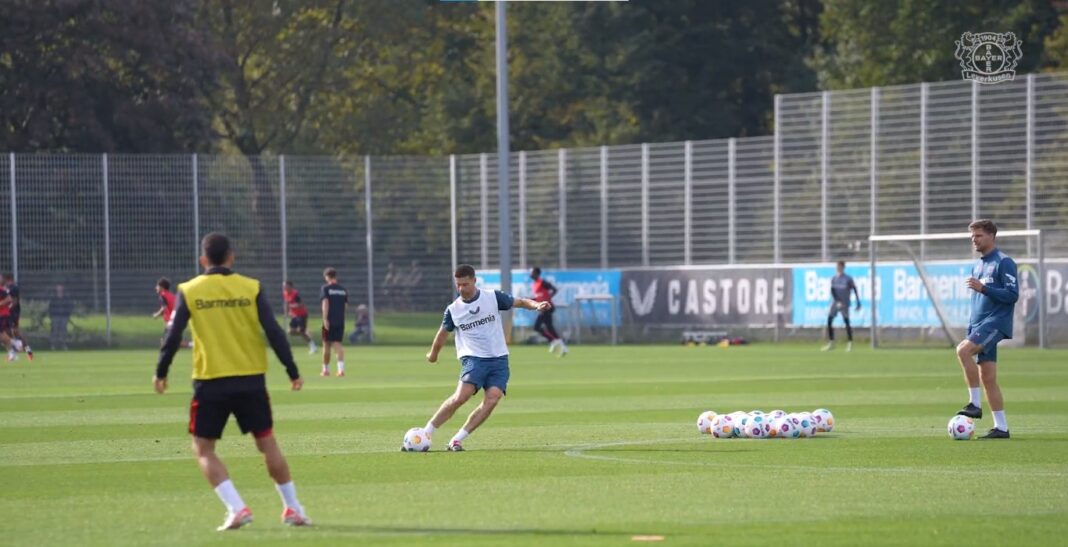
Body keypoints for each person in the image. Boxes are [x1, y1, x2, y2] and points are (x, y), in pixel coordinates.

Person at [154, 232, 312, 530]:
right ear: (231, 257)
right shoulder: (250, 287)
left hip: (210, 380)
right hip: (251, 379)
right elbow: (275, 332)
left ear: (203, 260)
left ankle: (237, 507)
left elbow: (173, 336)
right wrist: (292, 370)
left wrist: (161, 371)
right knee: (267, 443)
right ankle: (293, 508)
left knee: (203, 449)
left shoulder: (190, 290)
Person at [421, 264, 552, 451]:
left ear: (474, 281)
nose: (461, 289)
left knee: (493, 398)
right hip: (473, 358)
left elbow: (521, 302)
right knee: (461, 397)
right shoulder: (453, 309)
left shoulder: (492, 297)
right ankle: (425, 433)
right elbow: (442, 333)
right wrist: (433, 354)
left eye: (465, 284)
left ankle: (457, 440)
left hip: (499, 359)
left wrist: (537, 305)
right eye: (458, 285)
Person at [955, 219, 1017, 439]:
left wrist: (985, 288)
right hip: (979, 324)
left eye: (978, 235)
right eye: (972, 236)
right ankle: (1001, 428)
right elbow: (976, 301)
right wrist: (971, 326)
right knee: (988, 378)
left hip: (996, 322)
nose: (974, 239)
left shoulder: (1004, 262)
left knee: (963, 351)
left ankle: (974, 404)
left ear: (991, 236)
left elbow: (1012, 295)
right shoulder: (978, 265)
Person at [821, 261, 861, 352]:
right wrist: (837, 301)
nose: (837, 268)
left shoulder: (848, 279)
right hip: (836, 302)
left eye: (839, 266)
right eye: (837, 266)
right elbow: (832, 290)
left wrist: (858, 302)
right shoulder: (834, 278)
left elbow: (854, 289)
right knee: (829, 320)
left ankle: (850, 343)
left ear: (843, 267)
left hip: (845, 303)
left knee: (846, 322)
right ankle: (831, 343)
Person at [530, 267, 567, 356]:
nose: (530, 274)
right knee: (549, 328)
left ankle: (554, 341)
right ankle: (560, 345)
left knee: (537, 327)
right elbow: (539, 296)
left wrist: (547, 299)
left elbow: (554, 290)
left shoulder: (543, 282)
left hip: (547, 308)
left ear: (537, 274)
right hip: (543, 307)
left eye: (532, 272)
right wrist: (530, 300)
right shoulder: (535, 284)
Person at [319, 267, 348, 377]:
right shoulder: (343, 289)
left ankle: (325, 370)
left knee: (326, 345)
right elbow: (345, 306)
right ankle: (341, 370)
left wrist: (325, 318)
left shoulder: (325, 288)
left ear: (326, 277)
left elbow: (325, 303)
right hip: (340, 320)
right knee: (338, 344)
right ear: (336, 276)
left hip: (329, 320)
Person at [154, 278, 191, 349]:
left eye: (157, 286)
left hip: (172, 322)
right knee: (169, 342)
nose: (156, 288)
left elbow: (164, 308)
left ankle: (194, 344)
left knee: (167, 342)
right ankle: (192, 344)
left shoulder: (163, 295)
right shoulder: (171, 295)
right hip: (177, 320)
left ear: (162, 287)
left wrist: (156, 315)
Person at [2, 273, 32, 360]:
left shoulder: (13, 288)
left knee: (15, 332)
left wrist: (7, 307)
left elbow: (14, 301)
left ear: (7, 279)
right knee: (6, 333)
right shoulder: (6, 288)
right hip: (8, 314)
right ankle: (14, 353)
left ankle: (28, 350)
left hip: (13, 313)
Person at [283, 281, 317, 354]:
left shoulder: (295, 294)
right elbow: (287, 303)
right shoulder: (285, 293)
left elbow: (301, 304)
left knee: (301, 332)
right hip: (294, 315)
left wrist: (292, 306)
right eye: (284, 286)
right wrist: (287, 312)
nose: (284, 287)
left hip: (302, 315)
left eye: (286, 286)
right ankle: (306, 332)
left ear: (290, 286)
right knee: (290, 332)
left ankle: (313, 346)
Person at [48, 284, 73, 350]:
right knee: (54, 331)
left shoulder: (66, 298)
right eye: (58, 288)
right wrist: (51, 316)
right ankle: (53, 345)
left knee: (63, 331)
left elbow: (69, 307)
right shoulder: (53, 298)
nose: (59, 289)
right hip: (55, 316)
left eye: (60, 288)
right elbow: (50, 307)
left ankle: (64, 345)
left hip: (64, 316)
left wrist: (67, 315)